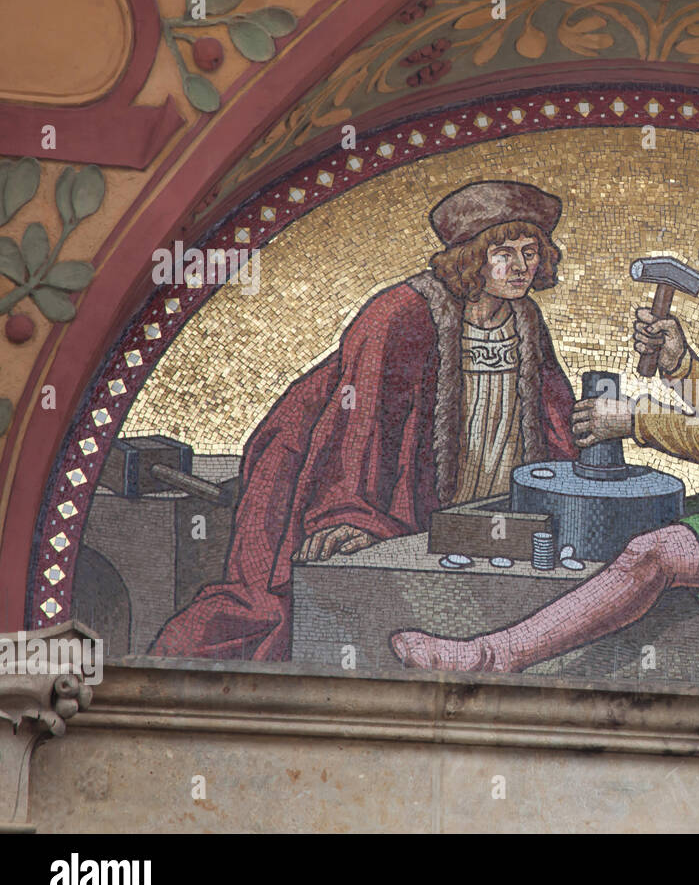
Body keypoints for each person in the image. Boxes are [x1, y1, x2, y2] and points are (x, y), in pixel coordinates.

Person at [390, 199, 699, 672]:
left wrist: (635, 421)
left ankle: (493, 655)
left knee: (654, 553)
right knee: (646, 525)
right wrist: (678, 362)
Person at [150, 181, 579, 661]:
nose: (523, 267)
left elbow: (552, 418)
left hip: (483, 507)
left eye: (531, 252)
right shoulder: (400, 314)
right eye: (505, 252)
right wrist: (350, 514)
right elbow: (358, 426)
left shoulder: (524, 316)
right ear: (472, 257)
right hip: (405, 500)